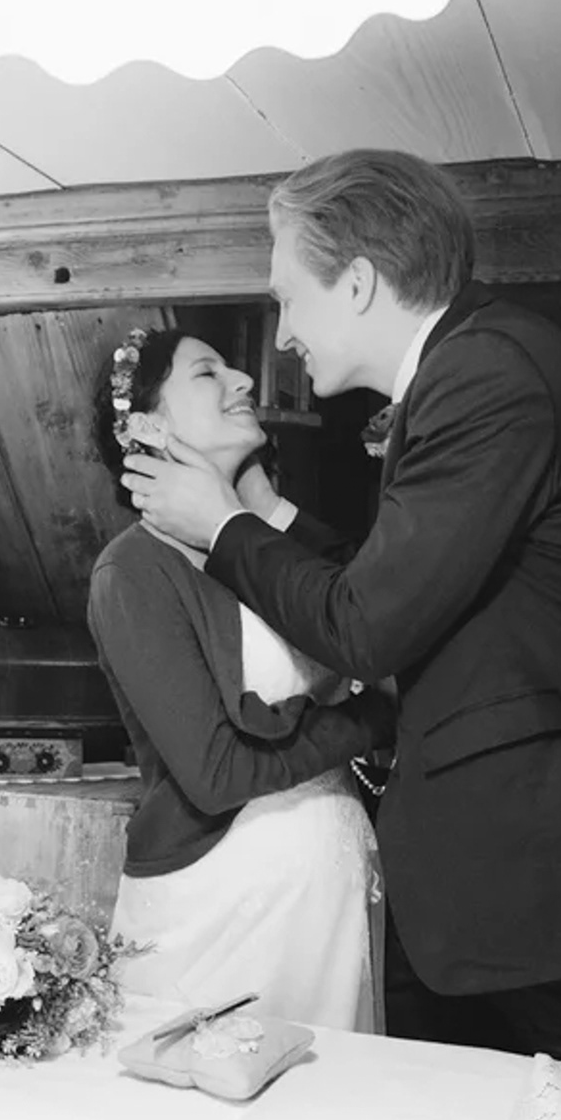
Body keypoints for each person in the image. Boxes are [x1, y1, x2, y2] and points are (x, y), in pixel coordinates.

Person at [123, 148, 561, 1072]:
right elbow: (401, 588)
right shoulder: (477, 362)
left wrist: (225, 527)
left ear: (359, 283)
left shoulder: (484, 373)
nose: (282, 337)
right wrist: (261, 516)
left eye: (289, 299)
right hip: (508, 896)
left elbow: (367, 623)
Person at [87, 329, 395, 1031]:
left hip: (326, 895)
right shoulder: (131, 571)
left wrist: (260, 503)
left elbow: (368, 611)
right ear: (148, 426)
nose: (244, 380)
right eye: (207, 373)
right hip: (220, 906)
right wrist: (376, 718)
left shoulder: (265, 548)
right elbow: (216, 773)